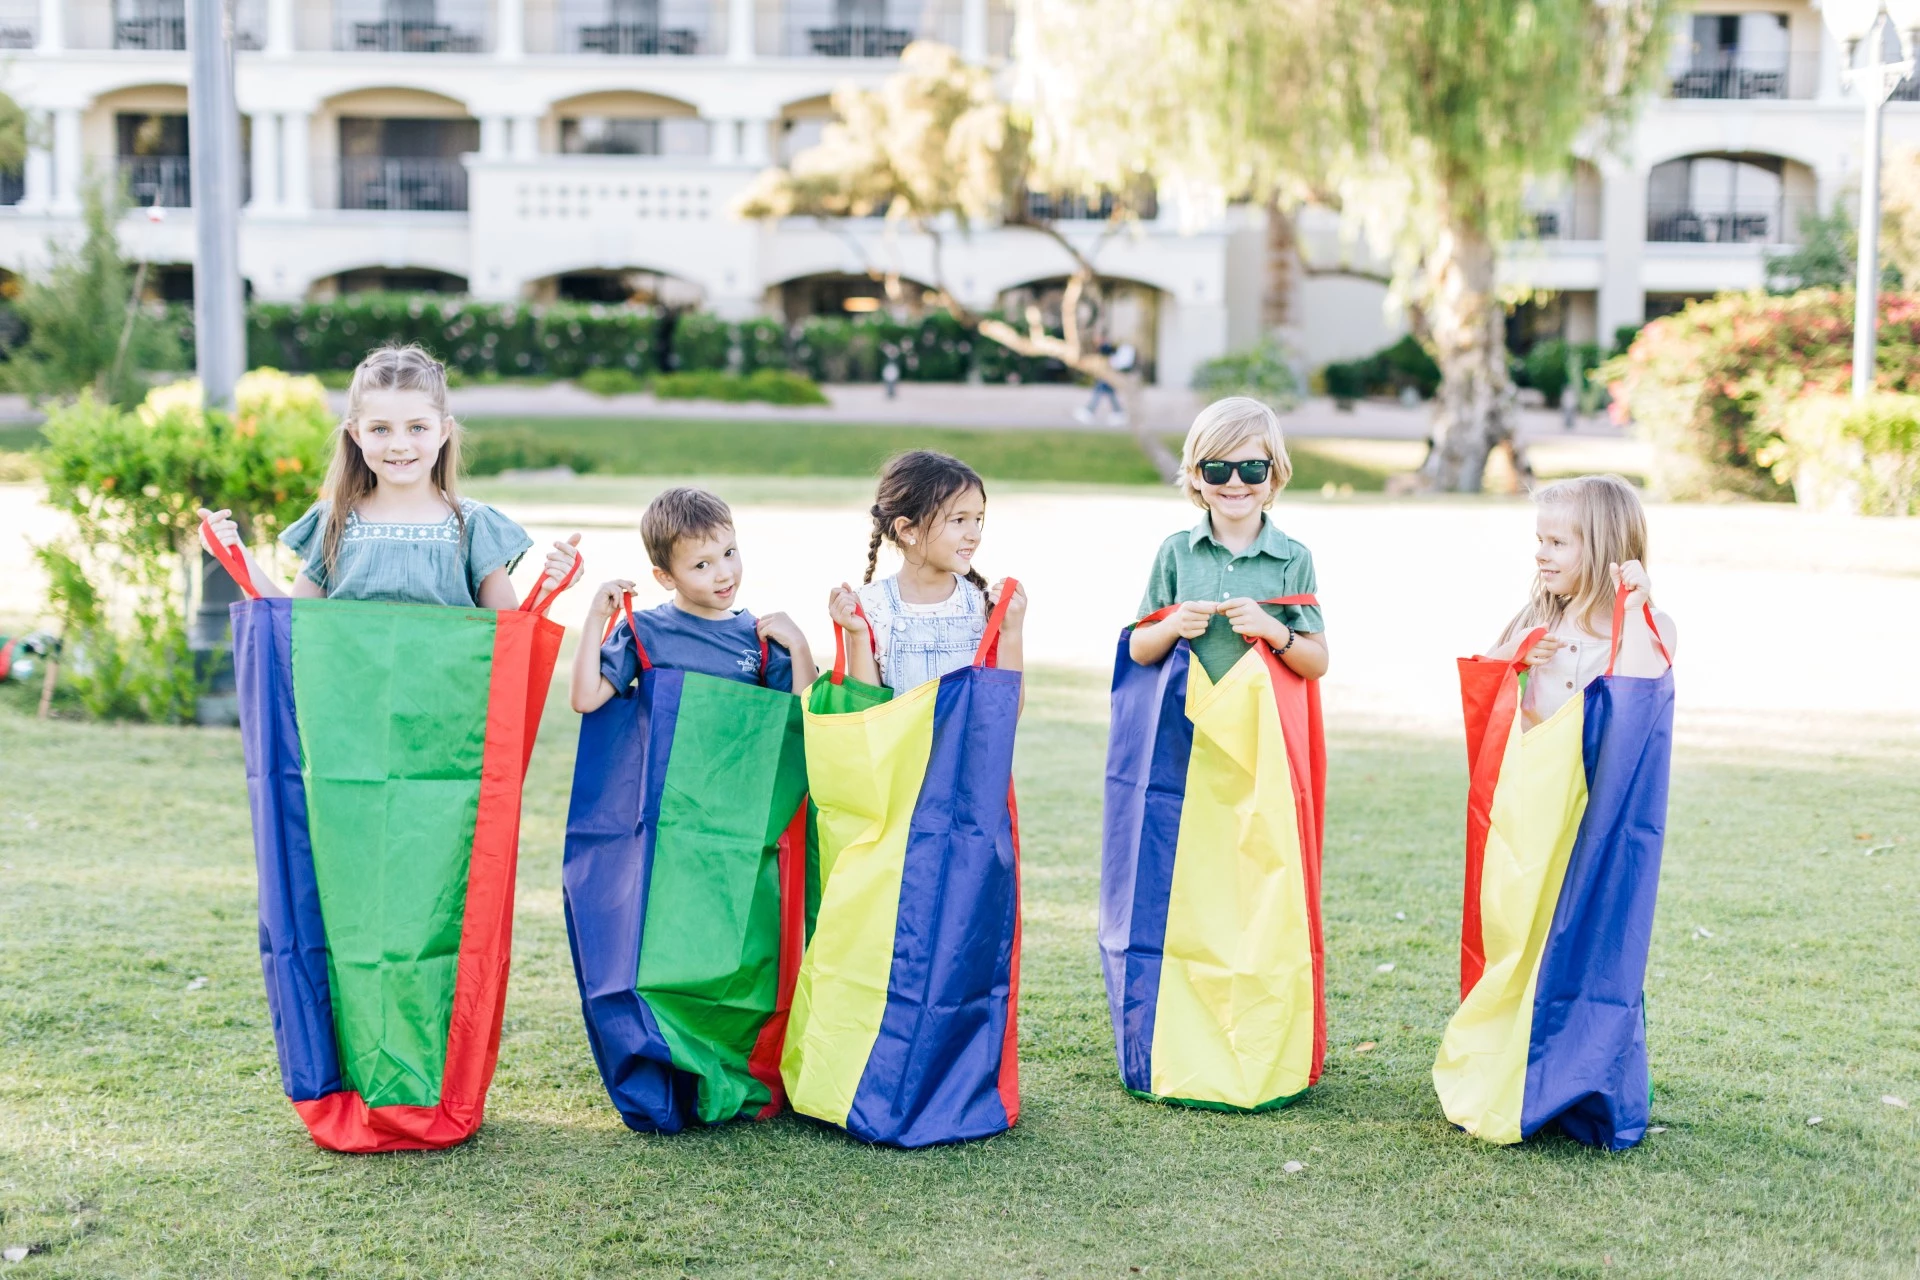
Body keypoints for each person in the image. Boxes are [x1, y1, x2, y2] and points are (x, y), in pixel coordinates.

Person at [199, 343, 578, 606]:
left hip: (447, 716)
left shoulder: (474, 526)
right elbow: (294, 623)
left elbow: (509, 638)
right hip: (350, 715)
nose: (399, 444)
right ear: (356, 433)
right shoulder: (334, 522)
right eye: (381, 429)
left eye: (417, 428)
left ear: (444, 431)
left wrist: (549, 588)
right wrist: (236, 555)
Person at [1127, 396, 1327, 683]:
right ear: (1195, 476)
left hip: (1262, 723)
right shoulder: (1176, 551)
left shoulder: (1293, 557)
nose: (1234, 482)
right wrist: (1173, 625)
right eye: (1217, 469)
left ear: (1274, 475)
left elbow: (1317, 663)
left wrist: (1272, 629)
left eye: (1252, 468)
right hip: (1186, 723)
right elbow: (1139, 649)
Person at [571, 486, 816, 712]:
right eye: (702, 565)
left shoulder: (761, 638)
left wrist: (799, 645)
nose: (724, 574)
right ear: (665, 577)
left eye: (729, 553)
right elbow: (585, 699)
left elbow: (804, 719)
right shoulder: (642, 632)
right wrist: (596, 618)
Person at [1483, 473, 1677, 728]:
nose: (1540, 554)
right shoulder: (1539, 616)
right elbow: (1484, 686)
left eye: (1557, 543)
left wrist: (1632, 612)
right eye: (1541, 541)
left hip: (1607, 769)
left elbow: (1640, 703)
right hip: (1537, 767)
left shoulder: (1654, 626)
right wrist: (1515, 652)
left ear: (1603, 548)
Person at [826, 450, 1026, 695]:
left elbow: (1003, 716)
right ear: (908, 530)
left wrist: (1012, 631)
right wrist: (857, 634)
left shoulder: (983, 605)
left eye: (977, 519)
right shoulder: (870, 606)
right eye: (959, 520)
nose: (974, 535)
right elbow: (867, 715)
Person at [1074, 339, 1135, 425]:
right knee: (1107, 390)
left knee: (1101, 388)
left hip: (1115, 374)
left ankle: (1090, 410)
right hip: (1112, 373)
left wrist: (1111, 363)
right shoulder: (1123, 348)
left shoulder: (1127, 349)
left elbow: (1123, 364)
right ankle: (1117, 412)